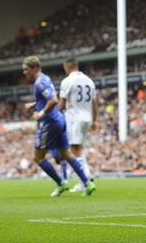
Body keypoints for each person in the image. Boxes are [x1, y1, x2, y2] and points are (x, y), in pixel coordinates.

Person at [22, 56, 96, 197]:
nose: (24, 72)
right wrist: (35, 104)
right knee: (67, 155)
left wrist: (41, 113)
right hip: (60, 120)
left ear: (35, 68)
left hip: (50, 122)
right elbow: (50, 96)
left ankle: (61, 183)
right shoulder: (45, 79)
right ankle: (88, 183)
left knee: (38, 158)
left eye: (26, 69)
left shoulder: (39, 83)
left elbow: (53, 100)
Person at [59, 58, 97, 193]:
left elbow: (61, 104)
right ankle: (86, 177)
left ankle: (85, 180)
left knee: (74, 152)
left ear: (67, 67)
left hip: (74, 118)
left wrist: (56, 115)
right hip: (87, 117)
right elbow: (94, 102)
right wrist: (95, 120)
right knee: (79, 149)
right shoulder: (89, 80)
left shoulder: (67, 81)